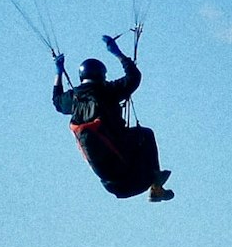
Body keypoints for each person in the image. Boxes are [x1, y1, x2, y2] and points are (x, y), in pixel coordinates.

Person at [54, 33, 172, 201]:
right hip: (129, 174)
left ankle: (155, 184)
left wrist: (58, 73)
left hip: (111, 183)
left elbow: (57, 102)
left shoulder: (72, 99)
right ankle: (156, 185)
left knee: (137, 139)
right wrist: (118, 54)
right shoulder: (108, 91)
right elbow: (134, 78)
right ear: (102, 76)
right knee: (146, 134)